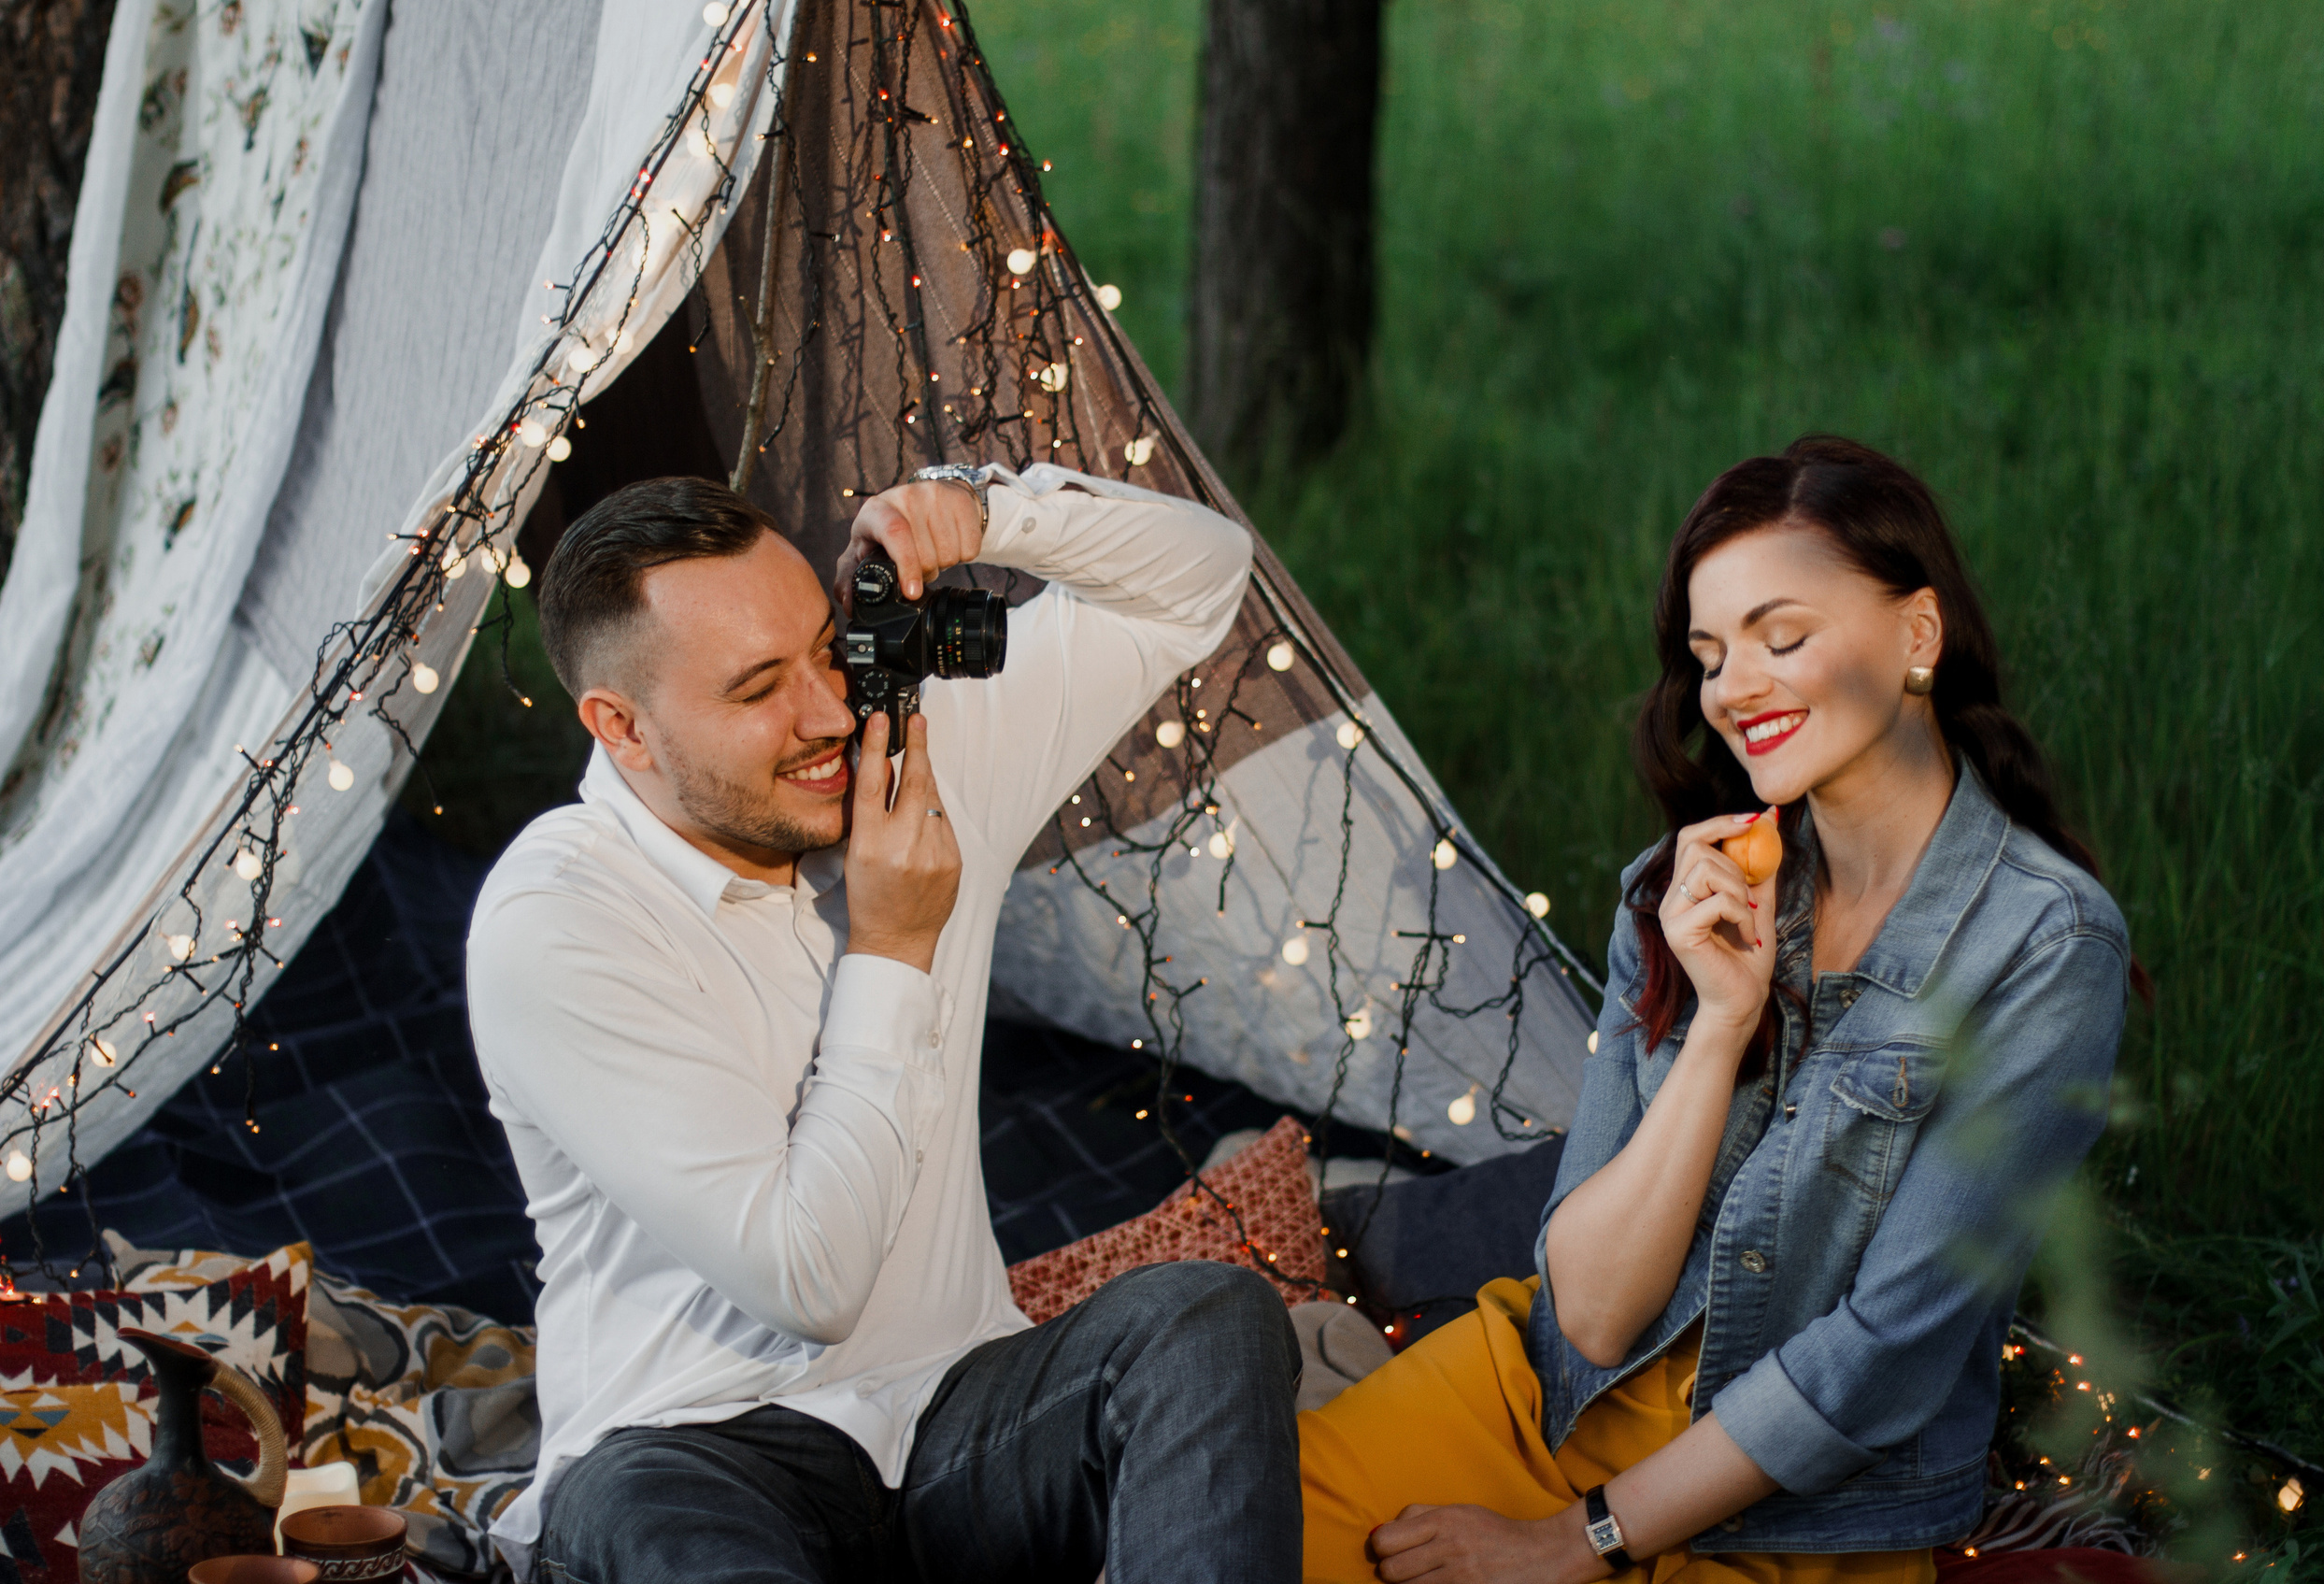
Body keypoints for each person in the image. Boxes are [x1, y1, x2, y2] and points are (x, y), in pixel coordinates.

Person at [1300, 436, 2134, 1583]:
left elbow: (1883, 1354)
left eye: (1781, 638)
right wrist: (1721, 1025)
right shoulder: (1677, 890)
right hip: (1546, 1396)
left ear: (1916, 638)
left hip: (1793, 1509)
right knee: (1216, 1537)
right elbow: (1587, 1316)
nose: (1732, 690)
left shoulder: (2045, 947)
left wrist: (1570, 1540)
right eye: (1707, 655)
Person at [464, 464, 1302, 1584]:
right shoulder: (557, 920)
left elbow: (1202, 578)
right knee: (638, 1520)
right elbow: (812, 1282)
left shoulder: (905, 752)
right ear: (624, 727)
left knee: (1209, 1315)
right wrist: (895, 947)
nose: (826, 711)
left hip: (954, 1417)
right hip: (693, 1454)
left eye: (823, 647)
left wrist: (989, 513)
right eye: (758, 688)